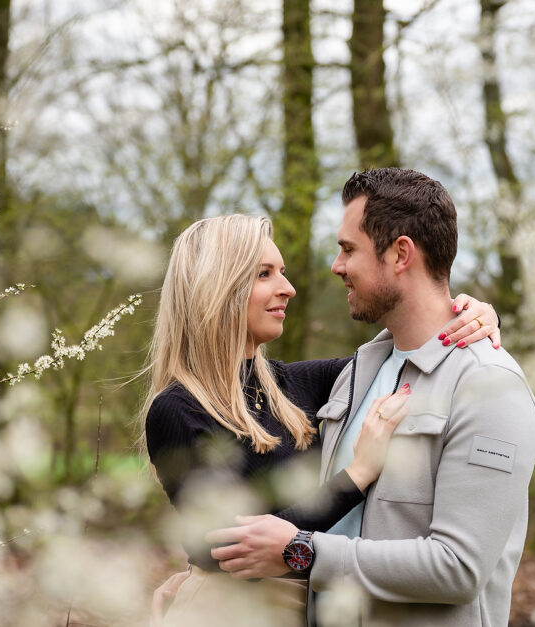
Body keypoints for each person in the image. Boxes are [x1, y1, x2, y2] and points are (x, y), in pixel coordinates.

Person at [204, 168, 535, 626]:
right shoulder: (357, 372)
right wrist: (195, 580)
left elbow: (460, 569)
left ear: (400, 254)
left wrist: (300, 552)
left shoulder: (490, 389)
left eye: (348, 249)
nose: (336, 266)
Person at [142, 213, 500, 625]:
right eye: (265, 274)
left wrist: (470, 317)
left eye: (283, 272)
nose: (288, 288)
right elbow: (228, 549)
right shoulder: (176, 410)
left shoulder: (295, 385)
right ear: (218, 289)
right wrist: (358, 475)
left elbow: (403, 353)